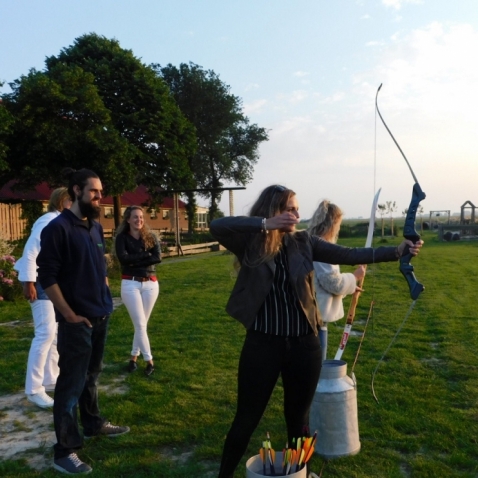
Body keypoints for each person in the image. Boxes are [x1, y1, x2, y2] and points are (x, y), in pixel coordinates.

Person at [210, 185, 423, 478]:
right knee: (246, 419)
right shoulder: (252, 242)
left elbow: (349, 254)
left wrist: (397, 250)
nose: (297, 214)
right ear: (273, 211)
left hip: (304, 346)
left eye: (297, 208)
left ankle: (301, 474)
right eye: (290, 208)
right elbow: (217, 226)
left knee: (299, 421)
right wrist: (265, 225)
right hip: (263, 345)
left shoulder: (304, 242)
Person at [37, 168, 130, 475]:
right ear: (76, 191)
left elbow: (99, 266)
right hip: (77, 320)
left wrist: (104, 291)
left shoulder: (95, 227)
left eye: (101, 192)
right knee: (70, 383)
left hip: (101, 312)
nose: (99, 197)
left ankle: (93, 423)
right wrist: (68, 314)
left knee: (92, 375)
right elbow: (47, 277)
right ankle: (65, 450)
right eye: (94, 192)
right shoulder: (58, 228)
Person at [14, 188, 72, 409]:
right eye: (70, 200)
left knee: (54, 334)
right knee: (45, 333)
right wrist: (28, 282)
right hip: (39, 282)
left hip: (54, 283)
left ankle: (51, 379)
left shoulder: (64, 222)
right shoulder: (48, 220)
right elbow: (30, 251)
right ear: (61, 201)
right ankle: (34, 389)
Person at [308, 199, 365, 360]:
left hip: (312, 313)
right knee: (317, 364)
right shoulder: (321, 246)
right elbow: (333, 283)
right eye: (338, 223)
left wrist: (352, 286)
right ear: (332, 223)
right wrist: (354, 277)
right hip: (314, 316)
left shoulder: (313, 241)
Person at [115, 205, 161, 376]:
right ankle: (149, 361)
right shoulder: (122, 238)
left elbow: (157, 258)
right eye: (135, 217)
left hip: (151, 284)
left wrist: (135, 261)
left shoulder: (150, 237)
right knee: (140, 325)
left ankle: (133, 357)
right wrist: (145, 256)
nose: (139, 220)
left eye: (141, 217)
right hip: (130, 284)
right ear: (128, 219)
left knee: (141, 325)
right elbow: (123, 259)